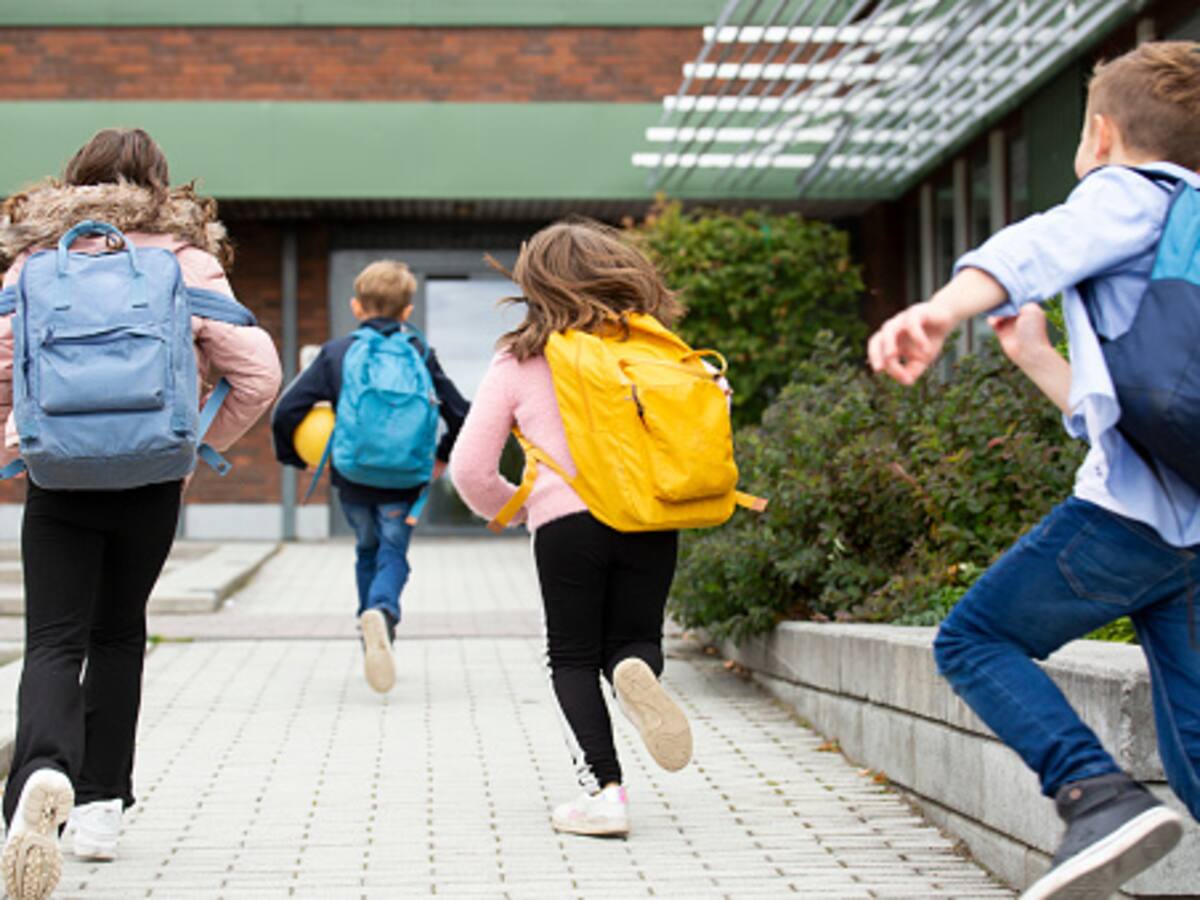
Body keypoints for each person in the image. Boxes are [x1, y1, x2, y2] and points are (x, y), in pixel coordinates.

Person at [867, 42, 1199, 900]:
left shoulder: (1129, 192)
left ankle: (1096, 796)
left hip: (1129, 522)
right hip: (1187, 538)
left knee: (975, 637)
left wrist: (939, 311)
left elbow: (1038, 246)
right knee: (1197, 756)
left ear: (1098, 133)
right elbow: (1155, 406)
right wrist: (1042, 361)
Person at [0, 127, 282, 897]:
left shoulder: (35, 261)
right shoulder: (187, 262)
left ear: (75, 180)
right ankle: (99, 808)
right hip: (152, 477)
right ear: (161, 184)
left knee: (54, 639)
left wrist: (18, 441)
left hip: (57, 477)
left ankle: (40, 772)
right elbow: (258, 372)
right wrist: (192, 443)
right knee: (119, 634)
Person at [449, 220, 695, 838]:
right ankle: (637, 673)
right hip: (651, 517)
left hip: (568, 523)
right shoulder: (657, 348)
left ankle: (605, 792)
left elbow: (470, 468)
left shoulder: (521, 358)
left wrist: (515, 507)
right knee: (635, 638)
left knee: (571, 656)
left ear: (538, 284)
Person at [271, 260, 468, 694]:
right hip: (406, 479)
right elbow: (461, 413)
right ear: (407, 311)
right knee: (392, 551)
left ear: (356, 306)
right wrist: (442, 457)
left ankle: (370, 633)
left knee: (366, 549)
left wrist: (293, 457)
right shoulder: (419, 352)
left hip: (354, 476)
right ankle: (383, 612)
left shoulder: (337, 353)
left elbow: (286, 411)